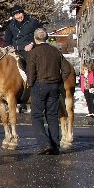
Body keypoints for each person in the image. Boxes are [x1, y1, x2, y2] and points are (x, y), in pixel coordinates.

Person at [26, 27, 71, 155]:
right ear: (46, 38)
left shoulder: (34, 52)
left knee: (36, 115)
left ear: (35, 39)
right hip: (54, 86)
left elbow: (31, 71)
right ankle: (55, 146)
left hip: (39, 85)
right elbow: (67, 69)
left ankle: (44, 143)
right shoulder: (56, 51)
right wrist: (59, 81)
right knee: (52, 115)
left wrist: (30, 84)